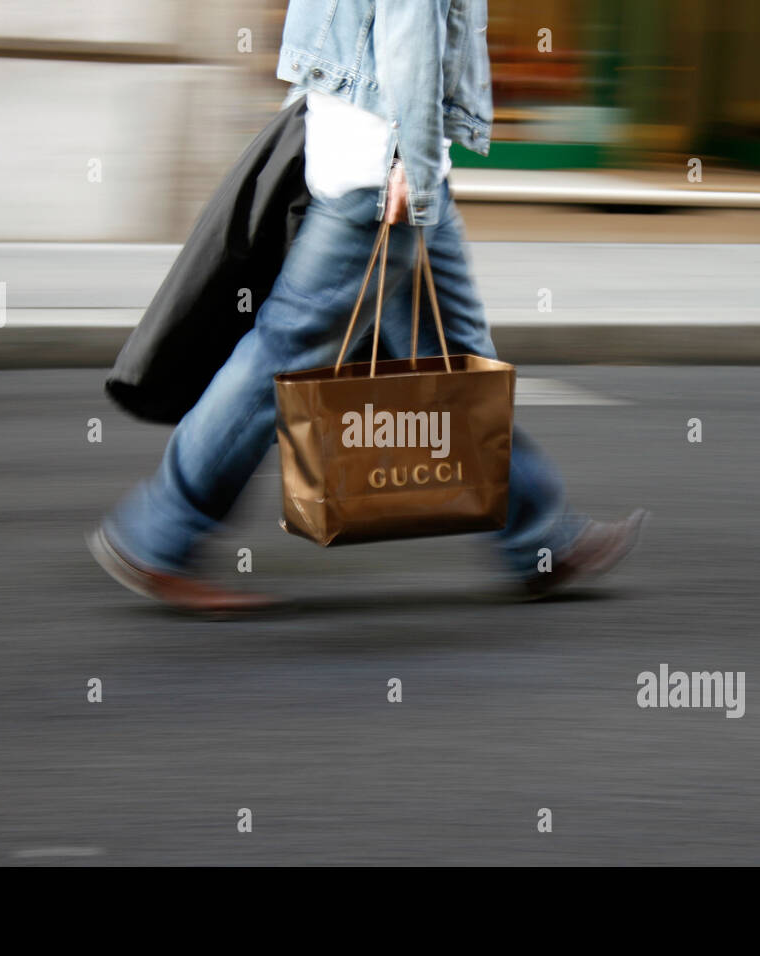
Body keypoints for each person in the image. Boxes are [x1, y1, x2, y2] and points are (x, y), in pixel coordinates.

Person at [89, 0, 646, 613]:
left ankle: (542, 542)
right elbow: (408, 30)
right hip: (382, 174)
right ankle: (158, 536)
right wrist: (411, 163)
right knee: (283, 357)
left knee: (453, 361)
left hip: (378, 156)